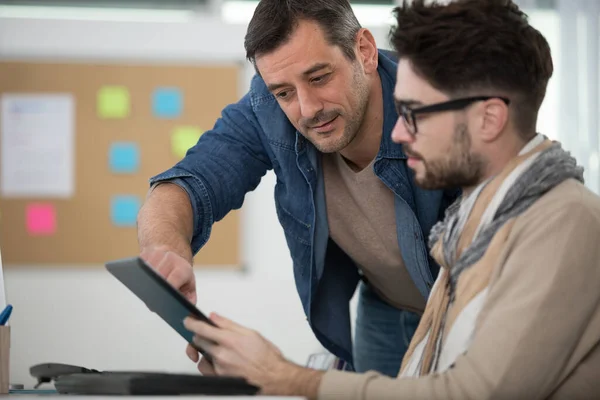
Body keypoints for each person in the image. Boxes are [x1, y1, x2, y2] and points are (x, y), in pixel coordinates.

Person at [181, 0, 600, 398]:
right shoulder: (479, 220)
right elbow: (202, 172)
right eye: (284, 92)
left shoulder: (562, 222)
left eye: (415, 113)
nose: (397, 133)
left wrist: (286, 377)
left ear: (489, 118)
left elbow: (470, 393)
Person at [137, 0, 457, 376]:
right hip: (385, 306)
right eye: (284, 92)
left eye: (319, 77)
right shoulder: (267, 108)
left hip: (461, 304)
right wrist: (165, 248)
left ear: (365, 51)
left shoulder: (436, 102)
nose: (307, 108)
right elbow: (189, 183)